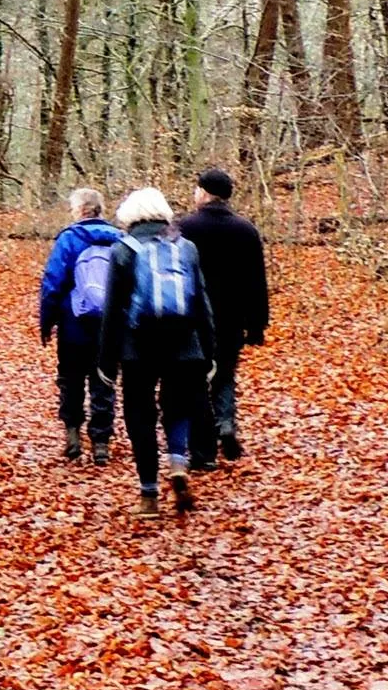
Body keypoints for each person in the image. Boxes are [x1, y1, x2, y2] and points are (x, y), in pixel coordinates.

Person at [98, 187, 217, 517]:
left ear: (130, 215)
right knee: (178, 408)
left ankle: (149, 495)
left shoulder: (123, 250)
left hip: (138, 348)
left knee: (140, 416)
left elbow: (112, 310)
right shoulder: (186, 248)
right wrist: (209, 351)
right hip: (185, 344)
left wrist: (106, 361)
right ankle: (177, 463)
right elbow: (201, 302)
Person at [176, 167, 268, 468]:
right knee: (225, 373)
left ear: (204, 192)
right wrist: (257, 324)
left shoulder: (185, 228)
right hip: (232, 317)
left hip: (193, 316)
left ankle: (202, 440)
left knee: (195, 378)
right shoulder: (246, 230)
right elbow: (256, 281)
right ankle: (225, 422)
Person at [38, 188, 122, 465]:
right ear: (100, 209)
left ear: (80, 210)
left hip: (74, 323)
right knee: (104, 380)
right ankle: (101, 443)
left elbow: (53, 282)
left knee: (71, 378)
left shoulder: (70, 239)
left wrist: (47, 321)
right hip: (109, 325)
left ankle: (73, 434)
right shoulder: (120, 239)